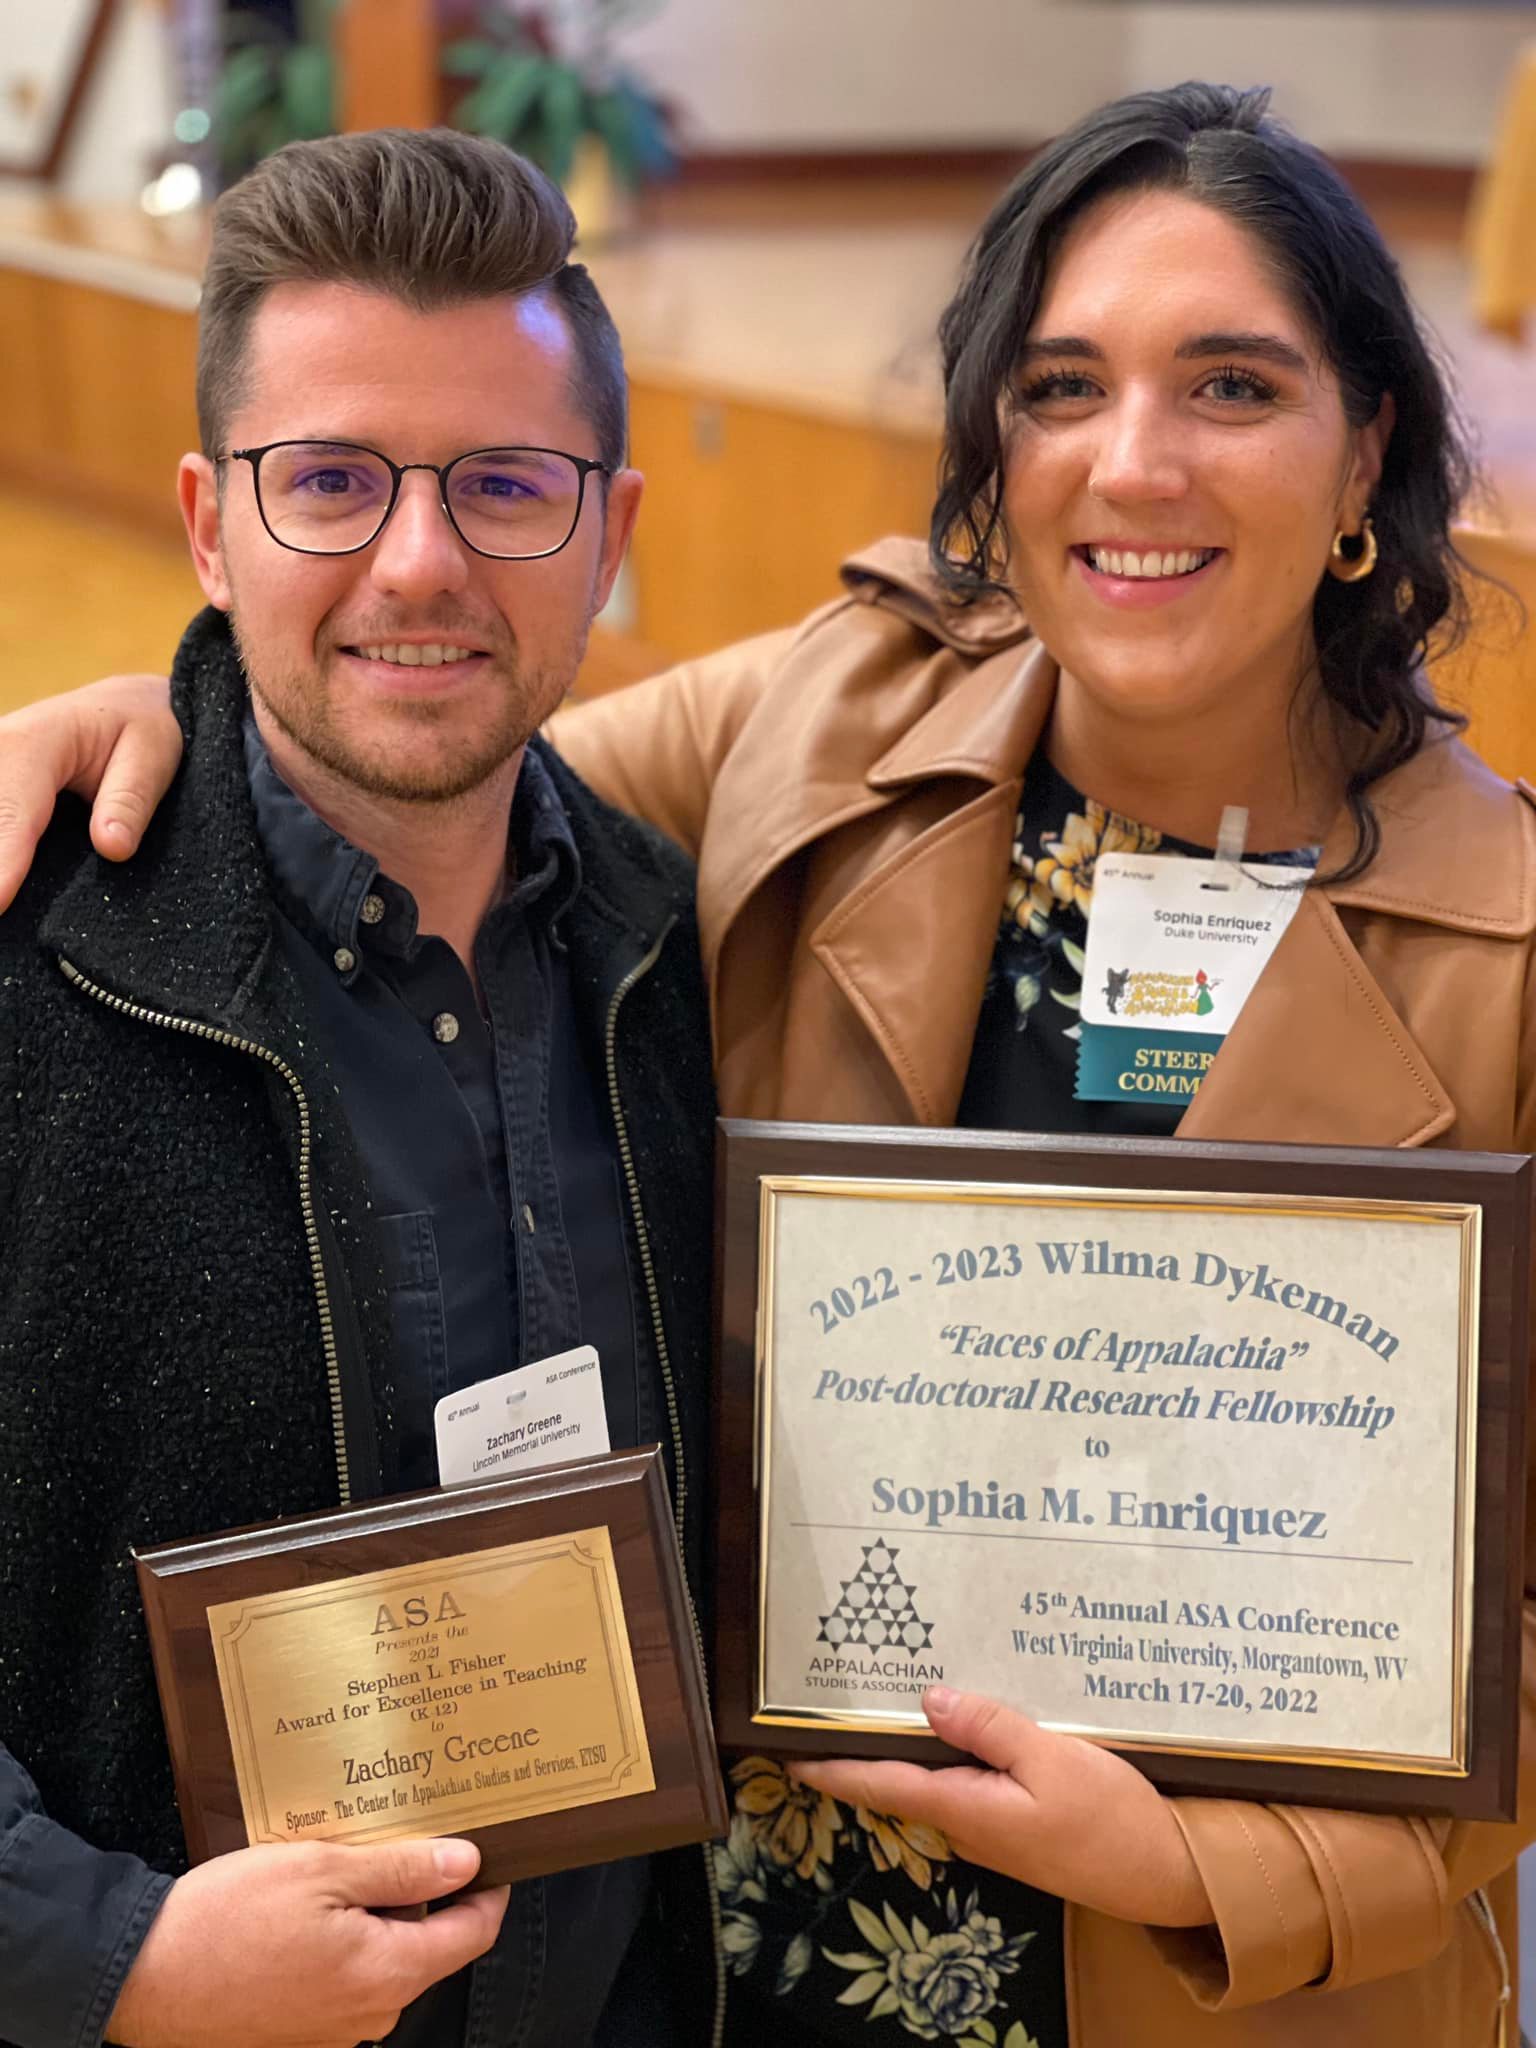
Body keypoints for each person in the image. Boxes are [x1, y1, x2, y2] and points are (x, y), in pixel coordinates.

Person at [3, 81, 1531, 2048]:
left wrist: (1194, 1867)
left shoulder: (1510, 949)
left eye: (1231, 385)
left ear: (1365, 453)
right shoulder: (837, 721)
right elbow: (423, 733)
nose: (1134, 461)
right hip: (757, 1969)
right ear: (995, 448)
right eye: (1060, 388)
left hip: (1185, 1992)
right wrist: (157, 717)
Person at [0, 131, 723, 2048]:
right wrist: (103, 1957)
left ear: (612, 530)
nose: (420, 561)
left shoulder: (683, 967)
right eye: (329, 482)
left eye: (504, 485)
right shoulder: (25, 967)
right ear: (208, 524)